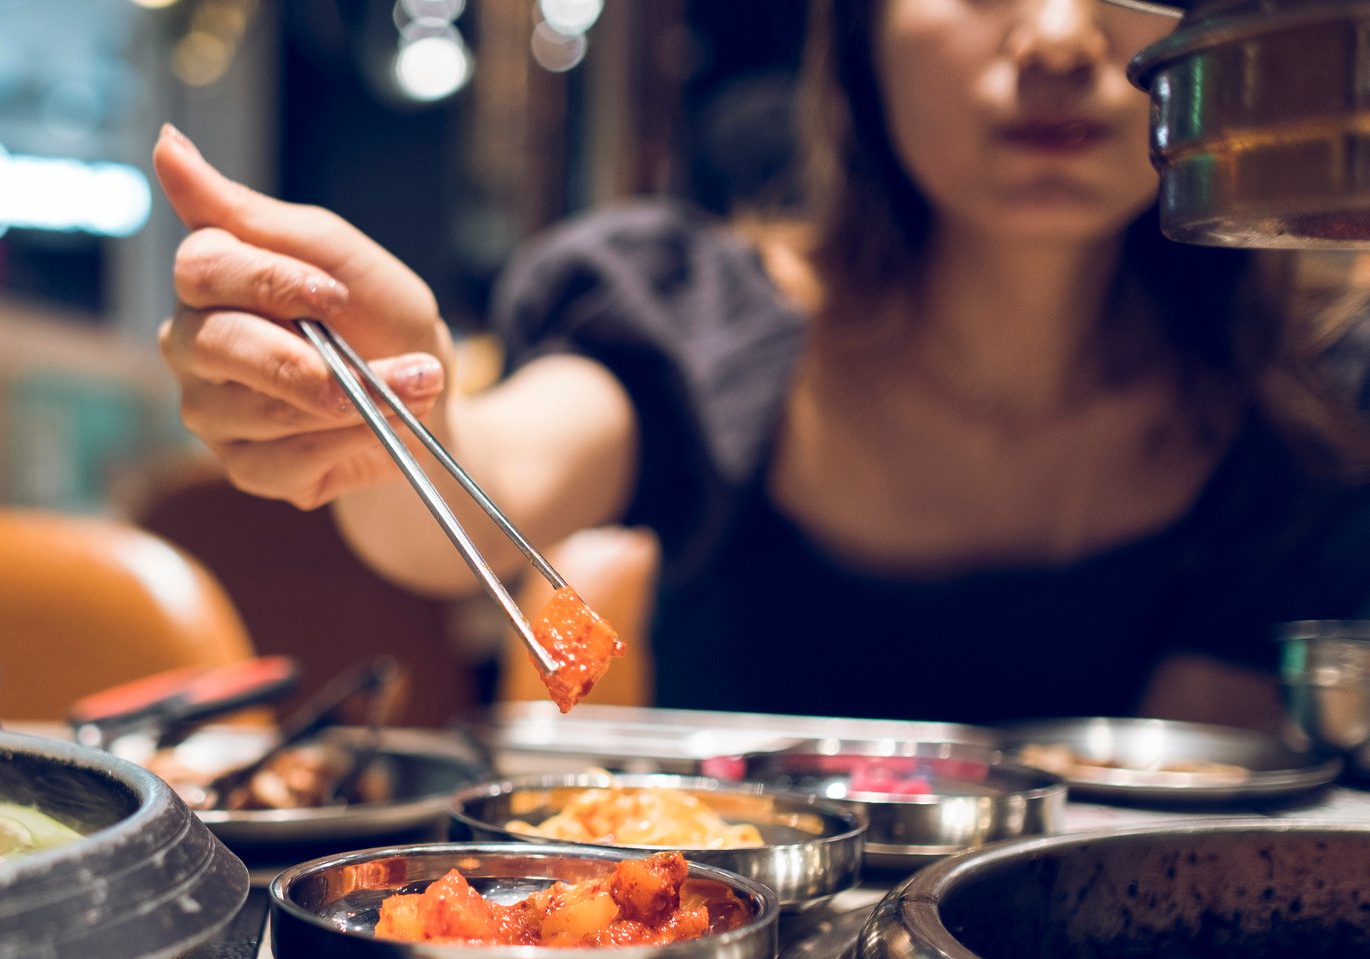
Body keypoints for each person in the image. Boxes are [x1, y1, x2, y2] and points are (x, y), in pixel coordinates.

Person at [152, 0, 1370, 726]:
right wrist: (391, 403)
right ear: (857, 39)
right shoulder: (700, 312)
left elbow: (1197, 859)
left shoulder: (1307, 389)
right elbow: (485, 488)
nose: (1056, 38)